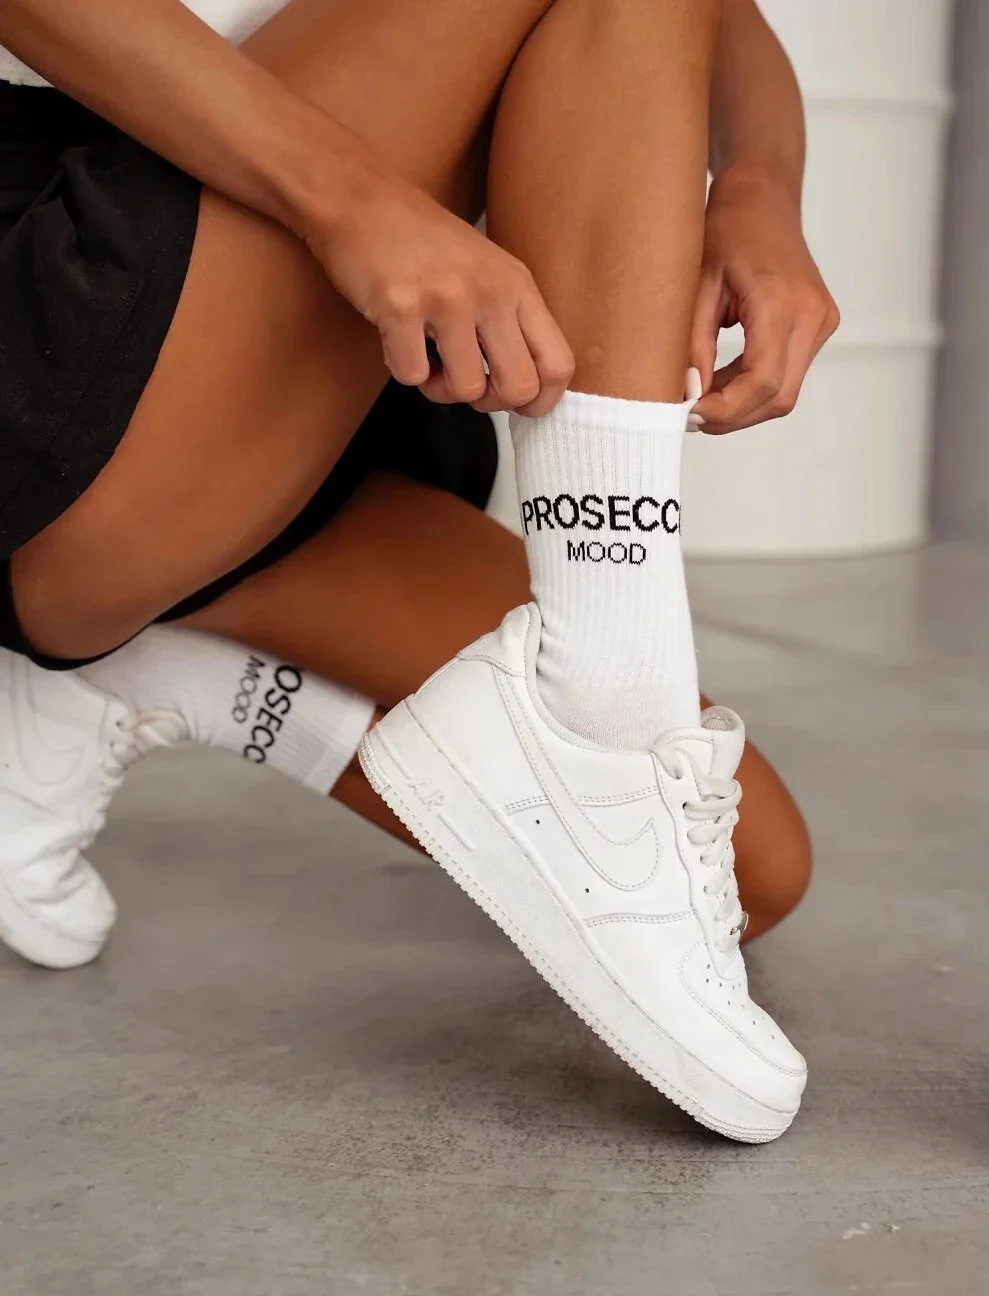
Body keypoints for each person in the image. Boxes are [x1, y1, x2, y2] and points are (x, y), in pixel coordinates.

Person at [0, 0, 838, 1141]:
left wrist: (755, 185)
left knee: (758, 872)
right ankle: (598, 705)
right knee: (628, 799)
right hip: (67, 295)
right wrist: (358, 207)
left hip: (277, 374)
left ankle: (154, 667)